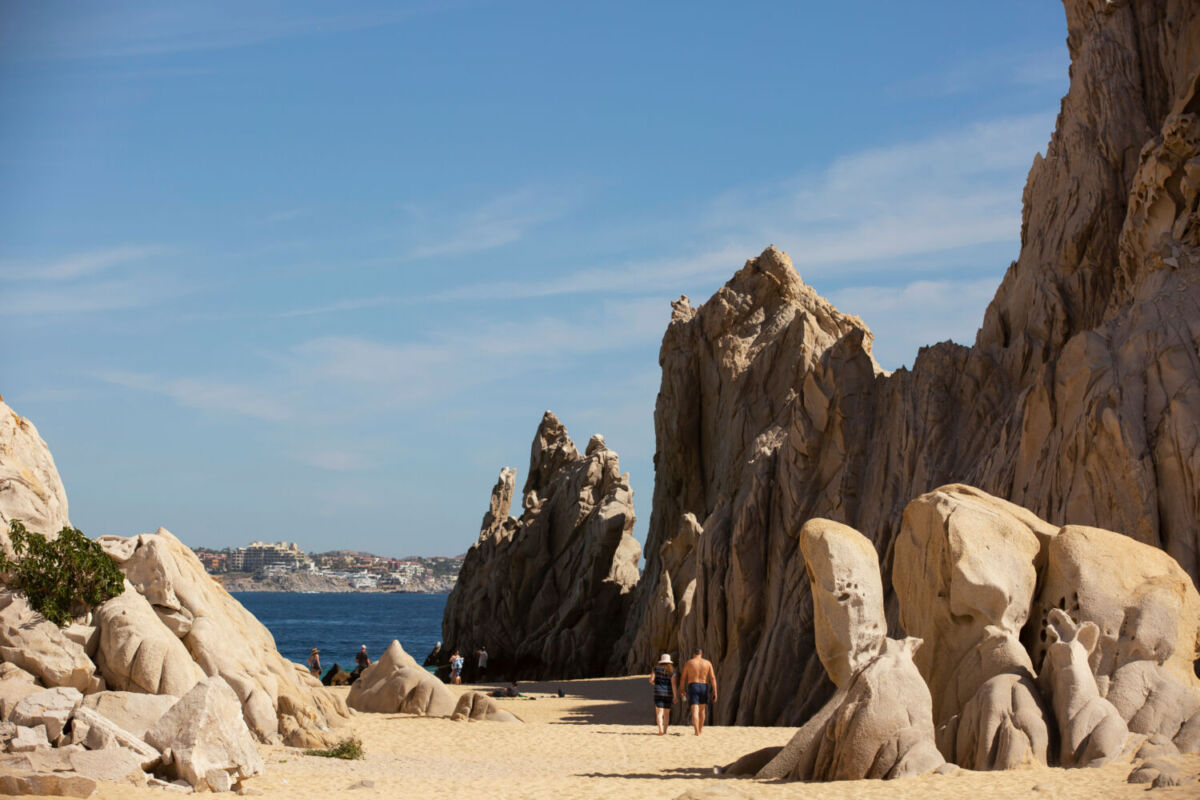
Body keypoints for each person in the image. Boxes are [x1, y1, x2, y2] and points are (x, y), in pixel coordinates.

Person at [679, 647, 718, 735]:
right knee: (702, 710)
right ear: (701, 654)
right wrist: (715, 691)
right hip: (704, 686)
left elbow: (683, 678)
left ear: (694, 654)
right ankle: (700, 730)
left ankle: (696, 731)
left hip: (693, 686)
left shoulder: (689, 663)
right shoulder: (707, 663)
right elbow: (712, 678)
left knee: (694, 709)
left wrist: (682, 689)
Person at [648, 653, 679, 735]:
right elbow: (673, 684)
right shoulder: (672, 671)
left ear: (661, 661)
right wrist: (675, 696)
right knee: (667, 713)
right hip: (668, 693)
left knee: (659, 712)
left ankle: (660, 730)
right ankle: (665, 731)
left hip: (658, 693)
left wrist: (656, 684)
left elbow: (651, 680)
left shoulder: (656, 669)